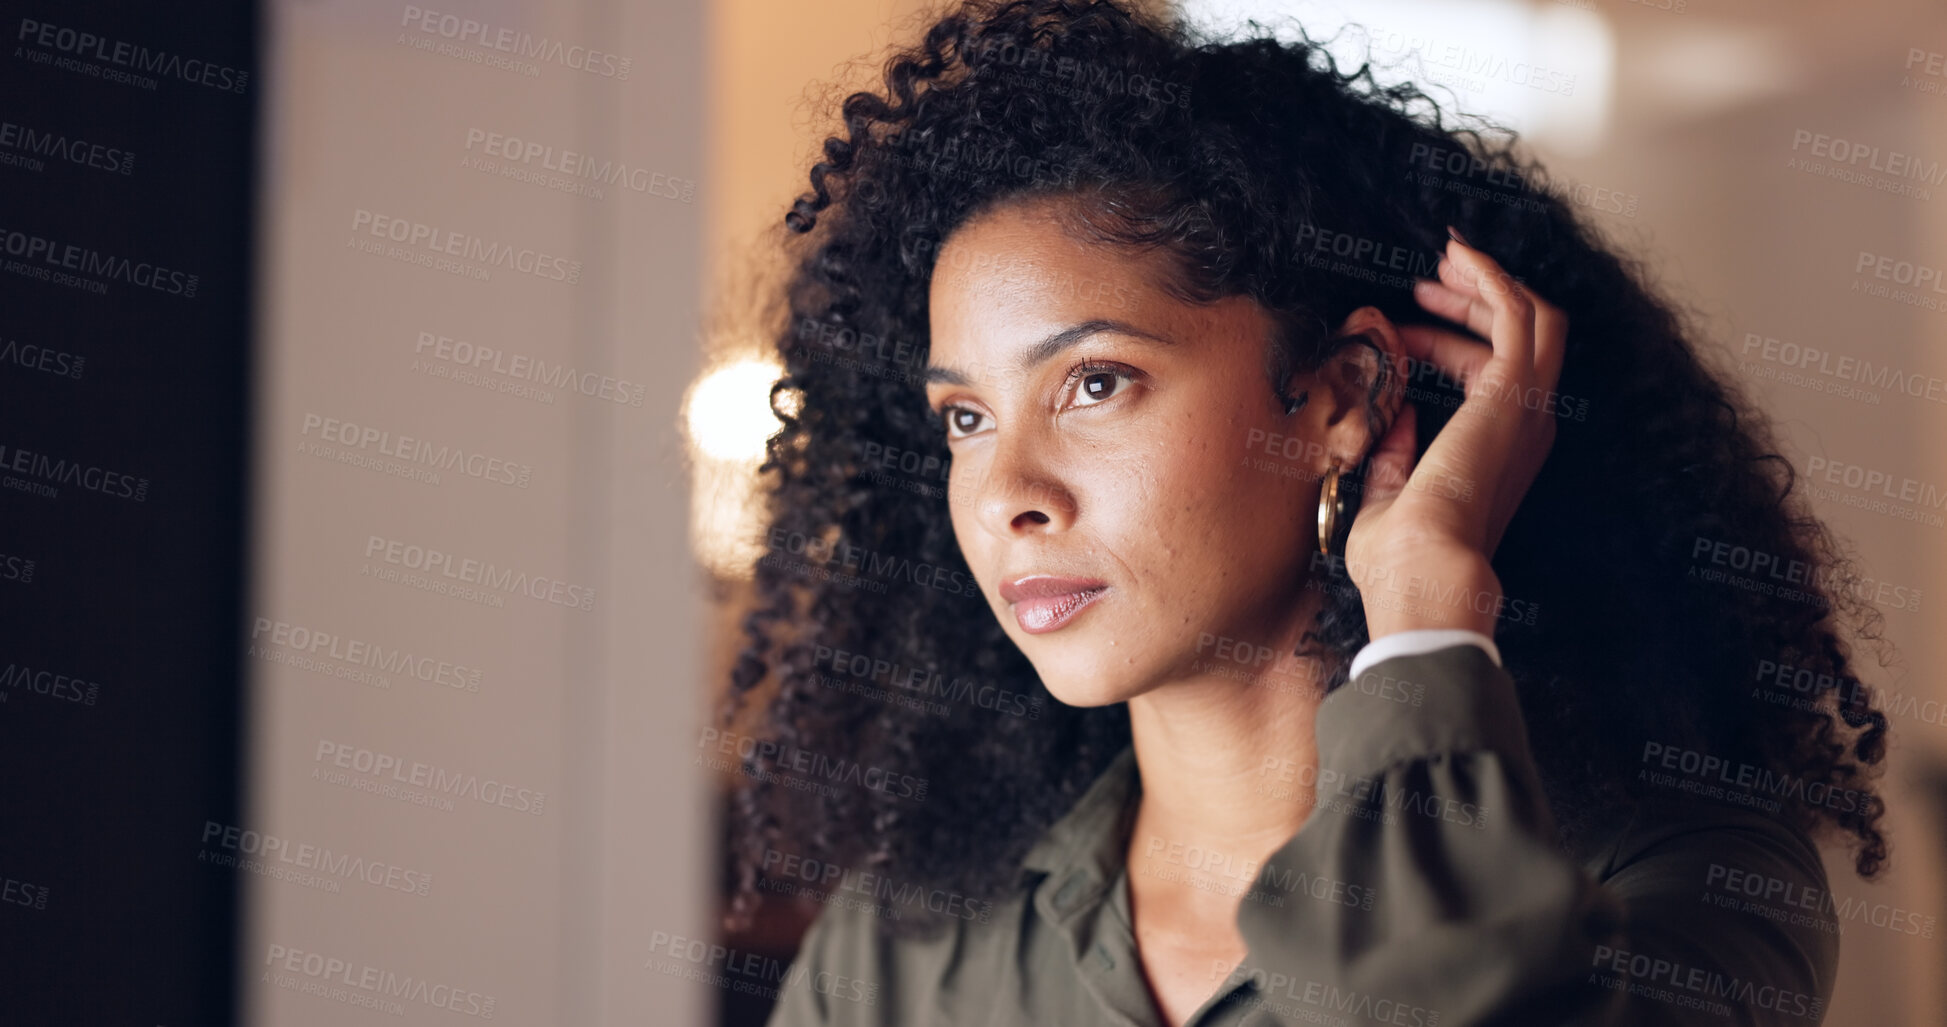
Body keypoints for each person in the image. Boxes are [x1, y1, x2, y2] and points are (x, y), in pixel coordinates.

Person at [718, 1, 1892, 1023]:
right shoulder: (903, 944)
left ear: (1342, 396)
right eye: (965, 419)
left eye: (1095, 382)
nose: (1009, 496)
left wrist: (1426, 610)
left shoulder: (1678, 878)